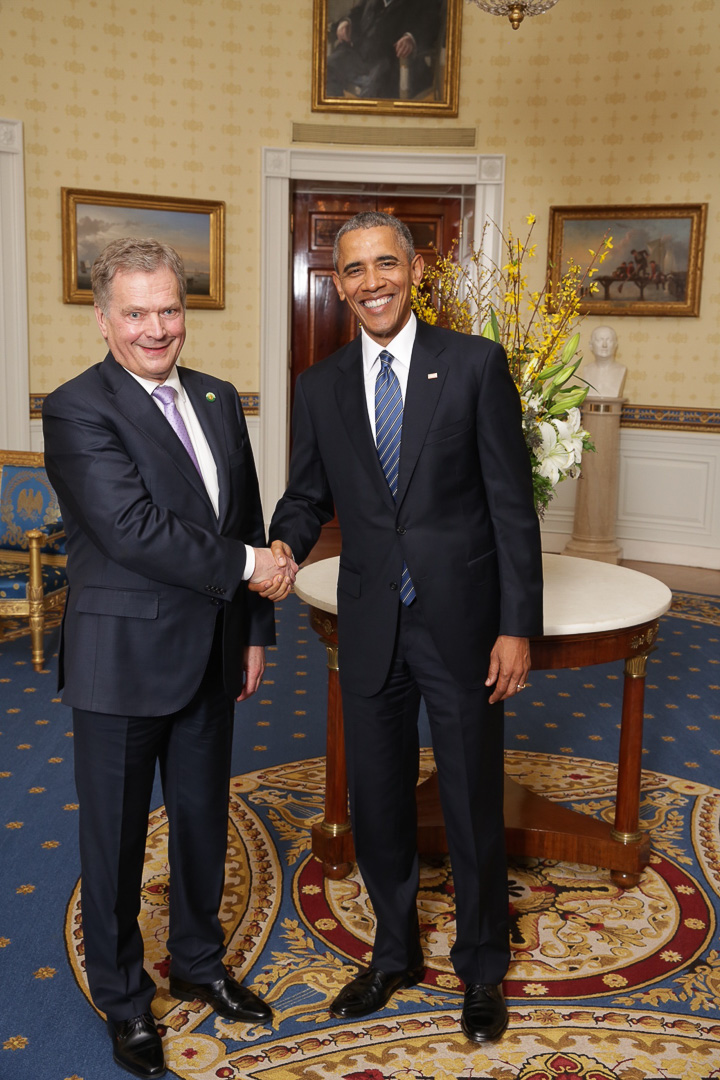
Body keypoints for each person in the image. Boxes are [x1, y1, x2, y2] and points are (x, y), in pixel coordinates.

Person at [253, 212, 543, 1044]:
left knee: (469, 797)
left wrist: (516, 624)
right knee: (377, 800)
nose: (372, 281)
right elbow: (308, 495)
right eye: (354, 269)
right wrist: (282, 543)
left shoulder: (476, 365)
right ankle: (393, 953)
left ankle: (482, 964)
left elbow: (510, 507)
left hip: (463, 624)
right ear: (337, 284)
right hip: (370, 622)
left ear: (415, 270)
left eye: (386, 263)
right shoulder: (324, 383)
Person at [42, 238, 296, 1080]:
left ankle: (198, 963)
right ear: (103, 317)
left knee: (200, 825)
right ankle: (122, 1000)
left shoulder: (221, 398)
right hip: (122, 661)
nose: (157, 329)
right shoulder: (78, 407)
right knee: (115, 844)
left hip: (215, 653)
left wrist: (255, 632)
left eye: (170, 309)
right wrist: (252, 568)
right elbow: (131, 529)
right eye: (137, 312)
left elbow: (245, 515)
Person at [326, 0, 443, 100]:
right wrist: (347, 21)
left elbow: (431, 21)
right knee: (326, 68)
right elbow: (357, 12)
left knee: (375, 92)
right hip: (360, 55)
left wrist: (411, 38)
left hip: (393, 63)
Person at [584, 325, 627, 398]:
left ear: (616, 345)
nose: (604, 345)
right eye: (599, 340)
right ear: (590, 345)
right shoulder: (586, 369)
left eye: (609, 340)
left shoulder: (622, 370)